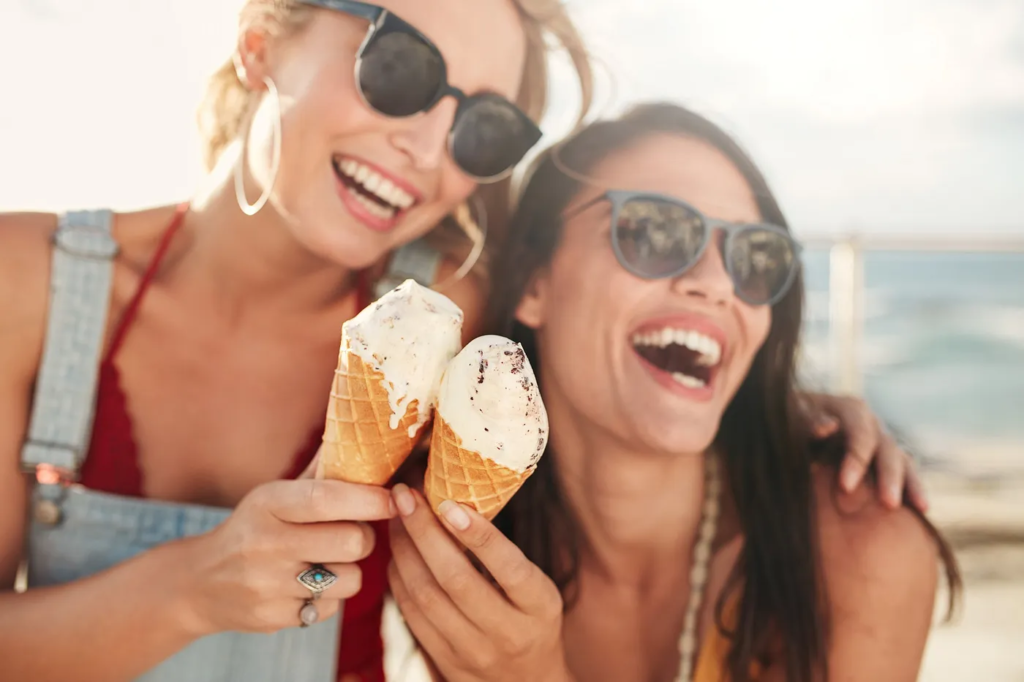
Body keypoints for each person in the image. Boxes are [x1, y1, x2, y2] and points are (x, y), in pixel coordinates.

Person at [0, 1, 591, 680]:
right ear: (259, 45)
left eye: (482, 128)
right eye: (398, 68)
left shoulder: (468, 335)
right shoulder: (25, 283)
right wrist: (191, 589)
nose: (428, 150)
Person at [386, 103, 961, 682]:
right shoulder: (452, 530)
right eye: (654, 231)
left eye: (754, 258)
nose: (715, 285)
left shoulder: (863, 550)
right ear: (535, 281)